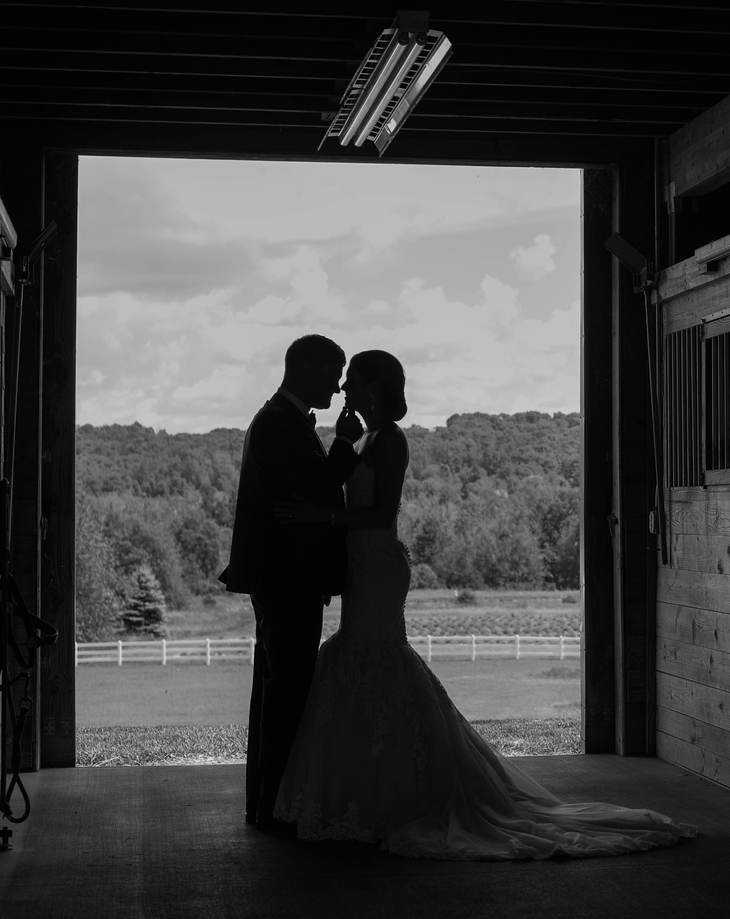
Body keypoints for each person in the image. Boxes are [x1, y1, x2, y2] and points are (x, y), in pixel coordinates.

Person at [271, 350, 694, 859]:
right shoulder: (363, 437)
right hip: (361, 565)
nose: (344, 389)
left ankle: (402, 791)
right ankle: (368, 791)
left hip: (379, 562)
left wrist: (321, 517)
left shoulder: (391, 440)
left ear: (373, 389)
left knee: (375, 656)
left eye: (353, 382)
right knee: (362, 658)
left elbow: (383, 514)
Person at [221, 334, 364, 830]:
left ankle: (266, 801)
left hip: (282, 577)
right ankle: (272, 806)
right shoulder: (281, 423)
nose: (339, 383)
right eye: (333, 371)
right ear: (305, 369)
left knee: (276, 689)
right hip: (288, 578)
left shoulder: (279, 417)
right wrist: (346, 444)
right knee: (287, 692)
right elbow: (323, 485)